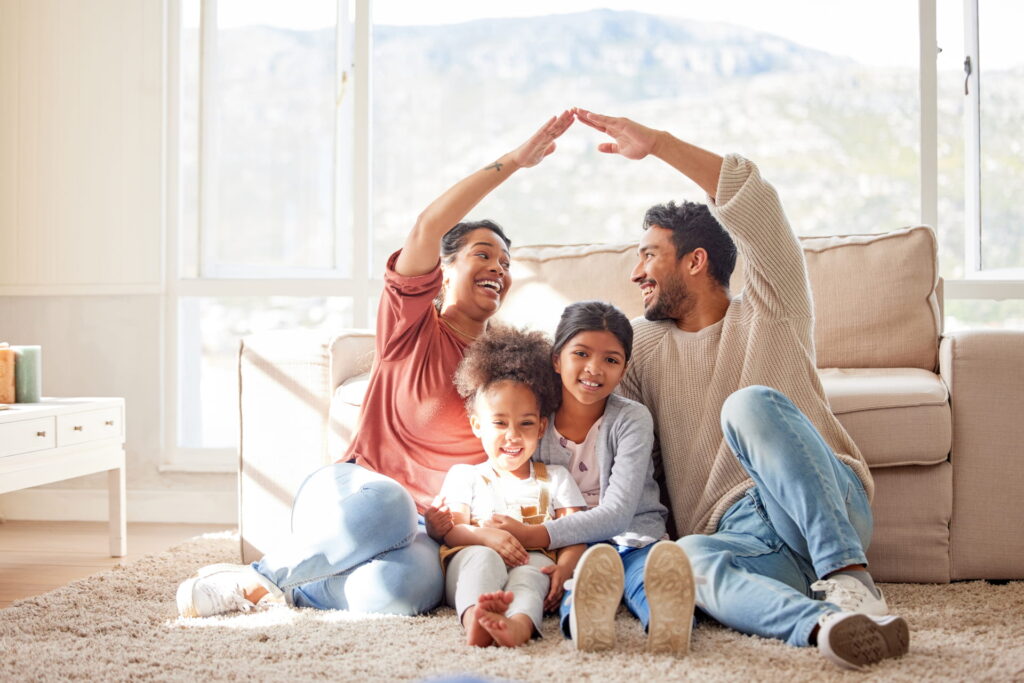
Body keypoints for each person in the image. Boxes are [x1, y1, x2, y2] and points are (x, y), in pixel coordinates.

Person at [175, 110, 576, 618]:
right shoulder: (412, 326)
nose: (498, 267)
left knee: (404, 593)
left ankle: (294, 590)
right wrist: (517, 161)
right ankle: (256, 579)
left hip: (432, 525)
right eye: (482, 254)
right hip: (356, 496)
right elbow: (429, 225)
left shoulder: (511, 365)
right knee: (391, 506)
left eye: (505, 263)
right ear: (445, 268)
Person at [571, 108, 910, 671]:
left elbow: (755, 203)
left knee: (747, 404)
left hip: (821, 503)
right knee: (682, 561)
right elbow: (589, 415)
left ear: (696, 261)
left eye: (649, 254)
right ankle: (828, 624)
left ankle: (850, 578)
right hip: (740, 539)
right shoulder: (639, 349)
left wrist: (656, 142)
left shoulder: (771, 308)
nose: (636, 274)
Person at [482, 300, 696, 655]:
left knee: (649, 580)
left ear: (624, 369)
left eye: (611, 360)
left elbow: (618, 515)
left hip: (633, 538)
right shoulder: (535, 420)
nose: (594, 369)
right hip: (570, 546)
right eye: (581, 353)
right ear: (557, 359)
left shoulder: (632, 419)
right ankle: (585, 620)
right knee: (576, 584)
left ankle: (667, 620)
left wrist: (535, 534)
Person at [437, 326, 586, 648]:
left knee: (534, 574)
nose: (513, 435)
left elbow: (575, 531)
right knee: (483, 560)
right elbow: (452, 530)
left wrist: (565, 568)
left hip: (532, 560)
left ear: (542, 426)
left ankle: (518, 625)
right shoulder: (465, 475)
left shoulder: (557, 476)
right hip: (474, 558)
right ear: (477, 425)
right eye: (500, 423)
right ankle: (475, 620)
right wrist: (485, 536)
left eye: (526, 423)